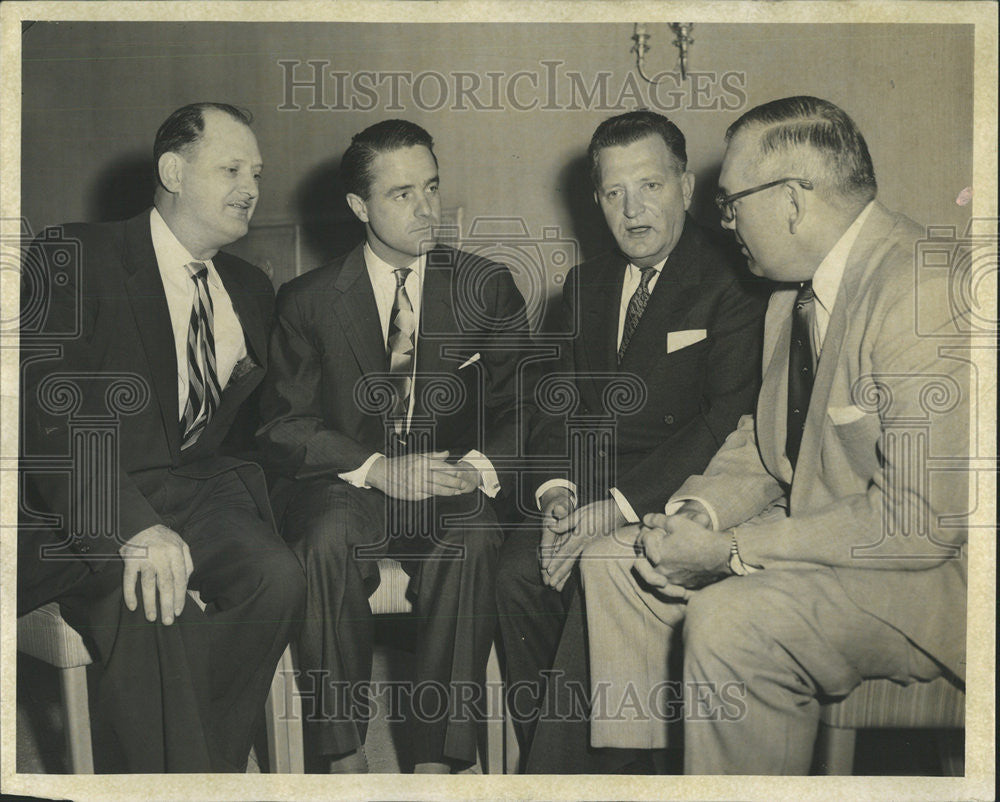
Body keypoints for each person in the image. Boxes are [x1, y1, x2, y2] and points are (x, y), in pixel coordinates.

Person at [581, 96, 969, 774]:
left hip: (943, 580)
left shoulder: (921, 286)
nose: (725, 223)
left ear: (792, 200)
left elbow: (919, 522)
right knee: (616, 563)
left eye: (731, 203)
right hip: (834, 543)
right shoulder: (791, 295)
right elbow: (766, 449)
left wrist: (732, 549)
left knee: (733, 622)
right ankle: (636, 784)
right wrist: (694, 515)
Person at [17, 102, 306, 773]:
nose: (251, 187)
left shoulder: (249, 286)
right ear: (173, 170)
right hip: (78, 500)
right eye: (231, 168)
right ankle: (192, 779)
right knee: (149, 600)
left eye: (256, 172)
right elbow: (51, 415)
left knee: (280, 577)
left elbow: (267, 420)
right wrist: (132, 528)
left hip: (194, 491)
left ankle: (192, 768)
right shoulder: (76, 254)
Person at [495, 110, 767, 772]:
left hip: (678, 494)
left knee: (604, 569)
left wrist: (613, 508)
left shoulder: (737, 277)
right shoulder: (585, 285)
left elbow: (726, 419)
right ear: (596, 200)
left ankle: (581, 775)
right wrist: (559, 495)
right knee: (514, 573)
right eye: (614, 193)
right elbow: (554, 401)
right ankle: (555, 761)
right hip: (587, 490)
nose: (633, 209)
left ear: (685, 185)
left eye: (649, 186)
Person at [257, 119, 532, 774]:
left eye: (432, 187)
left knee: (473, 536)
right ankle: (344, 755)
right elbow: (281, 425)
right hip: (354, 486)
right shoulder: (307, 301)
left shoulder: (484, 286)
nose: (427, 208)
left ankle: (438, 765)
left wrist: (479, 468)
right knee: (322, 537)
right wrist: (376, 469)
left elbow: (527, 405)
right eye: (402, 194)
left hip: (448, 484)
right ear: (360, 207)